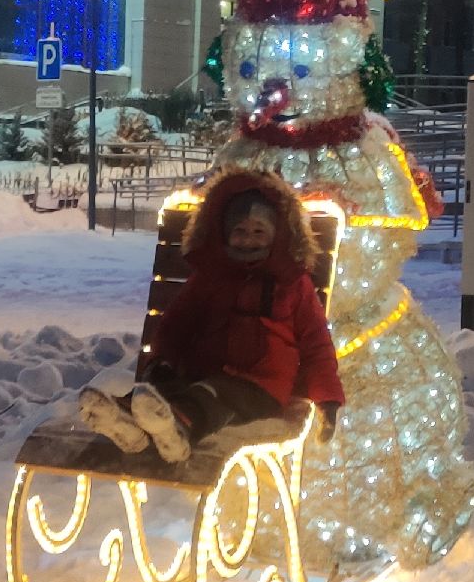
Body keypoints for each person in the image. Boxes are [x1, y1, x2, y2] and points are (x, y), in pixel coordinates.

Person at [82, 170, 345, 463]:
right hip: (202, 371)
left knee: (211, 394)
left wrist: (328, 399)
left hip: (261, 386)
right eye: (240, 232)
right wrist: (163, 360)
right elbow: (177, 323)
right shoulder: (210, 277)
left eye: (258, 232)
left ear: (277, 235)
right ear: (224, 233)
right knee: (163, 389)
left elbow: (316, 343)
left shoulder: (292, 283)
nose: (248, 240)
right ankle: (128, 423)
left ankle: (179, 430)